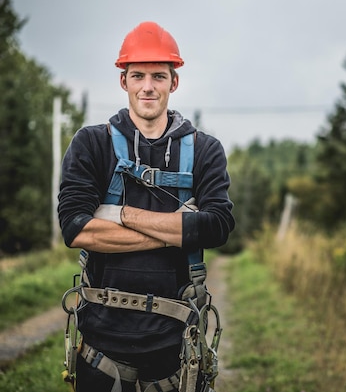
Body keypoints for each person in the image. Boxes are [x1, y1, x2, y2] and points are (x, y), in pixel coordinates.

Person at [58, 21, 235, 392]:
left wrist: (121, 215)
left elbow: (217, 226)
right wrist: (181, 229)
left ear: (174, 82)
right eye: (138, 75)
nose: (148, 87)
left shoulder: (205, 150)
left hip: (175, 346)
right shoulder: (91, 144)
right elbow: (76, 228)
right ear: (124, 81)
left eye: (159, 75)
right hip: (101, 346)